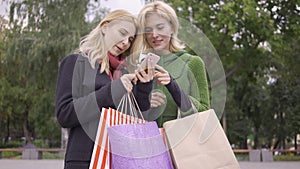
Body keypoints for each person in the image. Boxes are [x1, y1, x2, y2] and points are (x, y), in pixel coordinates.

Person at [55, 10, 153, 169]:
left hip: (122, 160)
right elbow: (64, 115)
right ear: (105, 27)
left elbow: (140, 116)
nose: (125, 43)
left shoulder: (124, 73)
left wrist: (144, 86)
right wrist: (113, 91)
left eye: (130, 39)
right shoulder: (75, 63)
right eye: (122, 33)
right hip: (86, 161)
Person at [137, 1, 210, 127]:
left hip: (181, 142)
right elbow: (128, 112)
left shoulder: (192, 63)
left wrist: (173, 86)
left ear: (172, 28)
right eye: (148, 30)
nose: (154, 35)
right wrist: (144, 99)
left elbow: (204, 111)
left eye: (160, 27)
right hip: (146, 143)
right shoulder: (137, 66)